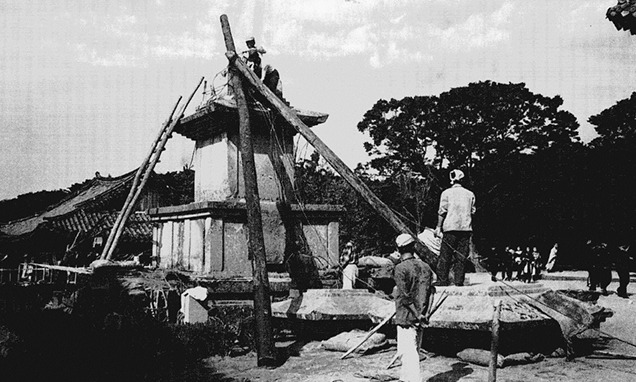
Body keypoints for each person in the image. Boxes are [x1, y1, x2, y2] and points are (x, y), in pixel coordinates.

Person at [393, 233, 433, 382]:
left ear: (398, 249)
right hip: (421, 316)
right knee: (413, 350)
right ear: (413, 246)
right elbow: (430, 292)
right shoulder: (426, 267)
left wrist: (416, 314)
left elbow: (405, 296)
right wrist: (424, 313)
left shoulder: (400, 268)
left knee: (408, 353)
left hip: (406, 316)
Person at [434, 169, 475, 286]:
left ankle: (442, 280)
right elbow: (473, 211)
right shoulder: (470, 194)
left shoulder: (446, 193)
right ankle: (459, 281)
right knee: (461, 257)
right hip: (465, 228)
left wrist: (438, 227)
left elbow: (442, 211)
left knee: (445, 255)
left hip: (450, 228)